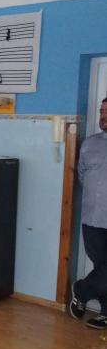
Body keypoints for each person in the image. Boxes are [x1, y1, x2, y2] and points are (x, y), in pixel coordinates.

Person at [70, 97, 107, 330]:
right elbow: (82, 175)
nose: (103, 116)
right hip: (93, 217)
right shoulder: (90, 143)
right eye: (102, 111)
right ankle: (105, 312)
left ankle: (81, 291)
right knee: (101, 266)